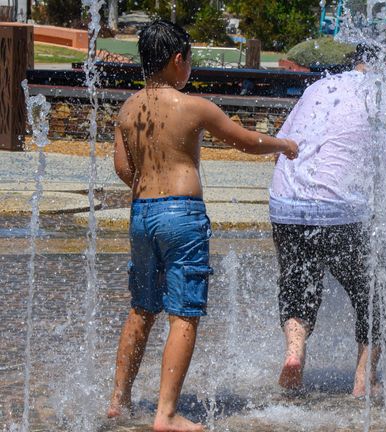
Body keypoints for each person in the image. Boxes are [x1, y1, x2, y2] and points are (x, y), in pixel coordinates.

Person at [106, 20, 298, 432]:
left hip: (141, 215)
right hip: (183, 216)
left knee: (142, 308)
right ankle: (167, 414)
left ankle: (118, 400)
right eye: (188, 59)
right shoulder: (193, 106)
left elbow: (124, 169)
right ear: (179, 60)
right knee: (184, 314)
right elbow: (245, 141)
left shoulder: (128, 109)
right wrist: (283, 145)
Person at [269, 44, 382, 398]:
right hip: (338, 208)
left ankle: (294, 352)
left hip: (286, 201)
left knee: (299, 283)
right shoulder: (385, 92)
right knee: (376, 293)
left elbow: (281, 146)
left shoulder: (319, 87)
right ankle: (364, 381)